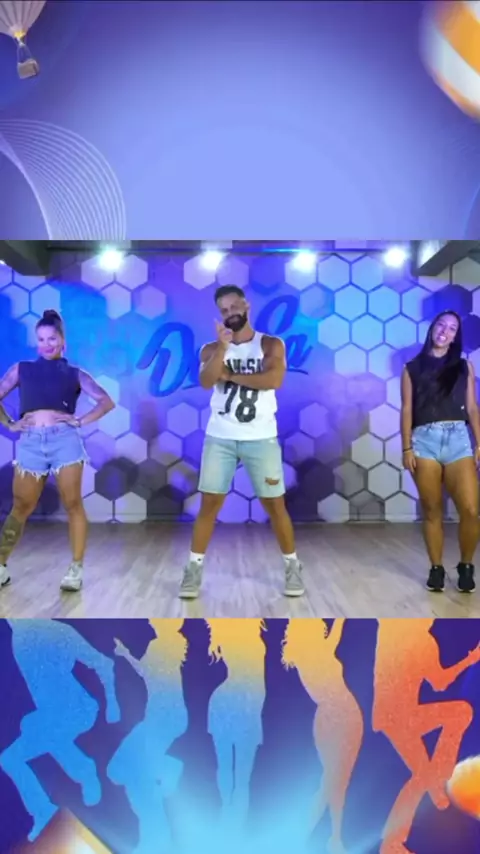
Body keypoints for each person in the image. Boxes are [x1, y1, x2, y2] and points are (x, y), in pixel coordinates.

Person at [179, 285, 304, 599]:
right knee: (209, 505)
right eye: (224, 310)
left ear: (246, 305)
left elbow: (273, 380)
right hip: (220, 437)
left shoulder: (270, 344)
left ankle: (292, 566)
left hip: (260, 437)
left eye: (234, 306)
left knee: (275, 505)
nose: (230, 313)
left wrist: (231, 376)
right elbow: (206, 381)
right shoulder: (211, 349)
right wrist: (223, 349)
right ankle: (193, 571)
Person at [0, 309, 115, 592]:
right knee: (21, 505)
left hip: (65, 442)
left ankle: (75, 569)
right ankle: (0, 565)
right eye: (41, 339)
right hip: (31, 443)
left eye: (52, 338)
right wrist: (10, 424)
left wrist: (79, 421)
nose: (46, 344)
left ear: (62, 340)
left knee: (72, 503)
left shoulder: (75, 373)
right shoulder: (22, 369)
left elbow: (105, 401)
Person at [401, 310, 480, 593]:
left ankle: (466, 566)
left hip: (458, 439)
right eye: (441, 325)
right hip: (424, 441)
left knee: (470, 509)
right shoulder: (411, 368)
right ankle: (436, 568)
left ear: (456, 337)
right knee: (432, 508)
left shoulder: (464, 367)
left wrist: (479, 443)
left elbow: (472, 407)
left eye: (452, 328)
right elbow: (407, 409)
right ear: (432, 328)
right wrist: (407, 447)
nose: (445, 331)